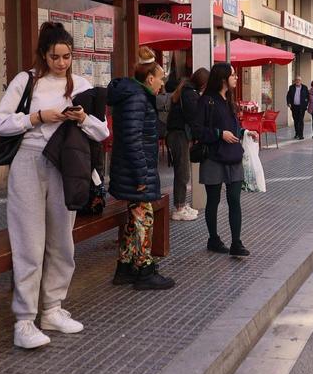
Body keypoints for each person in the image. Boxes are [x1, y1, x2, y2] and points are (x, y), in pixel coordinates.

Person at [0, 22, 108, 350]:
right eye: (55, 56)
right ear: (44, 54)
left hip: (65, 165)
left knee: (62, 240)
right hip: (28, 162)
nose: (61, 63)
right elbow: (0, 123)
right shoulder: (25, 81)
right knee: (28, 241)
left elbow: (103, 132)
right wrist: (37, 117)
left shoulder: (81, 85)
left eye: (67, 56)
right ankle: (24, 320)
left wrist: (82, 118)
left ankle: (53, 309)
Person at [108, 46, 176, 290]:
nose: (162, 84)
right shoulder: (137, 98)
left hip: (130, 169)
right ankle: (144, 271)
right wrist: (140, 176)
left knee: (134, 219)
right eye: (160, 78)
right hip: (135, 171)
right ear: (149, 78)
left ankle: (125, 267)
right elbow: (132, 139)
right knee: (144, 218)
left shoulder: (134, 95)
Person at [198, 62, 256, 257]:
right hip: (213, 157)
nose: (236, 77)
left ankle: (236, 243)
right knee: (213, 200)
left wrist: (245, 132)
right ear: (223, 78)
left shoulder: (229, 99)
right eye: (233, 75)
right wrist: (219, 134)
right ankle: (213, 239)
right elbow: (197, 130)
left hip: (233, 156)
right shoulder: (206, 101)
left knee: (234, 200)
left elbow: (233, 127)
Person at [165, 67, 208, 221]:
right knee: (182, 172)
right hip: (179, 135)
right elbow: (194, 117)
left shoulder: (186, 89)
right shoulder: (190, 94)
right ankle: (179, 208)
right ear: (203, 83)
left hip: (177, 134)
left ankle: (181, 204)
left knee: (182, 171)